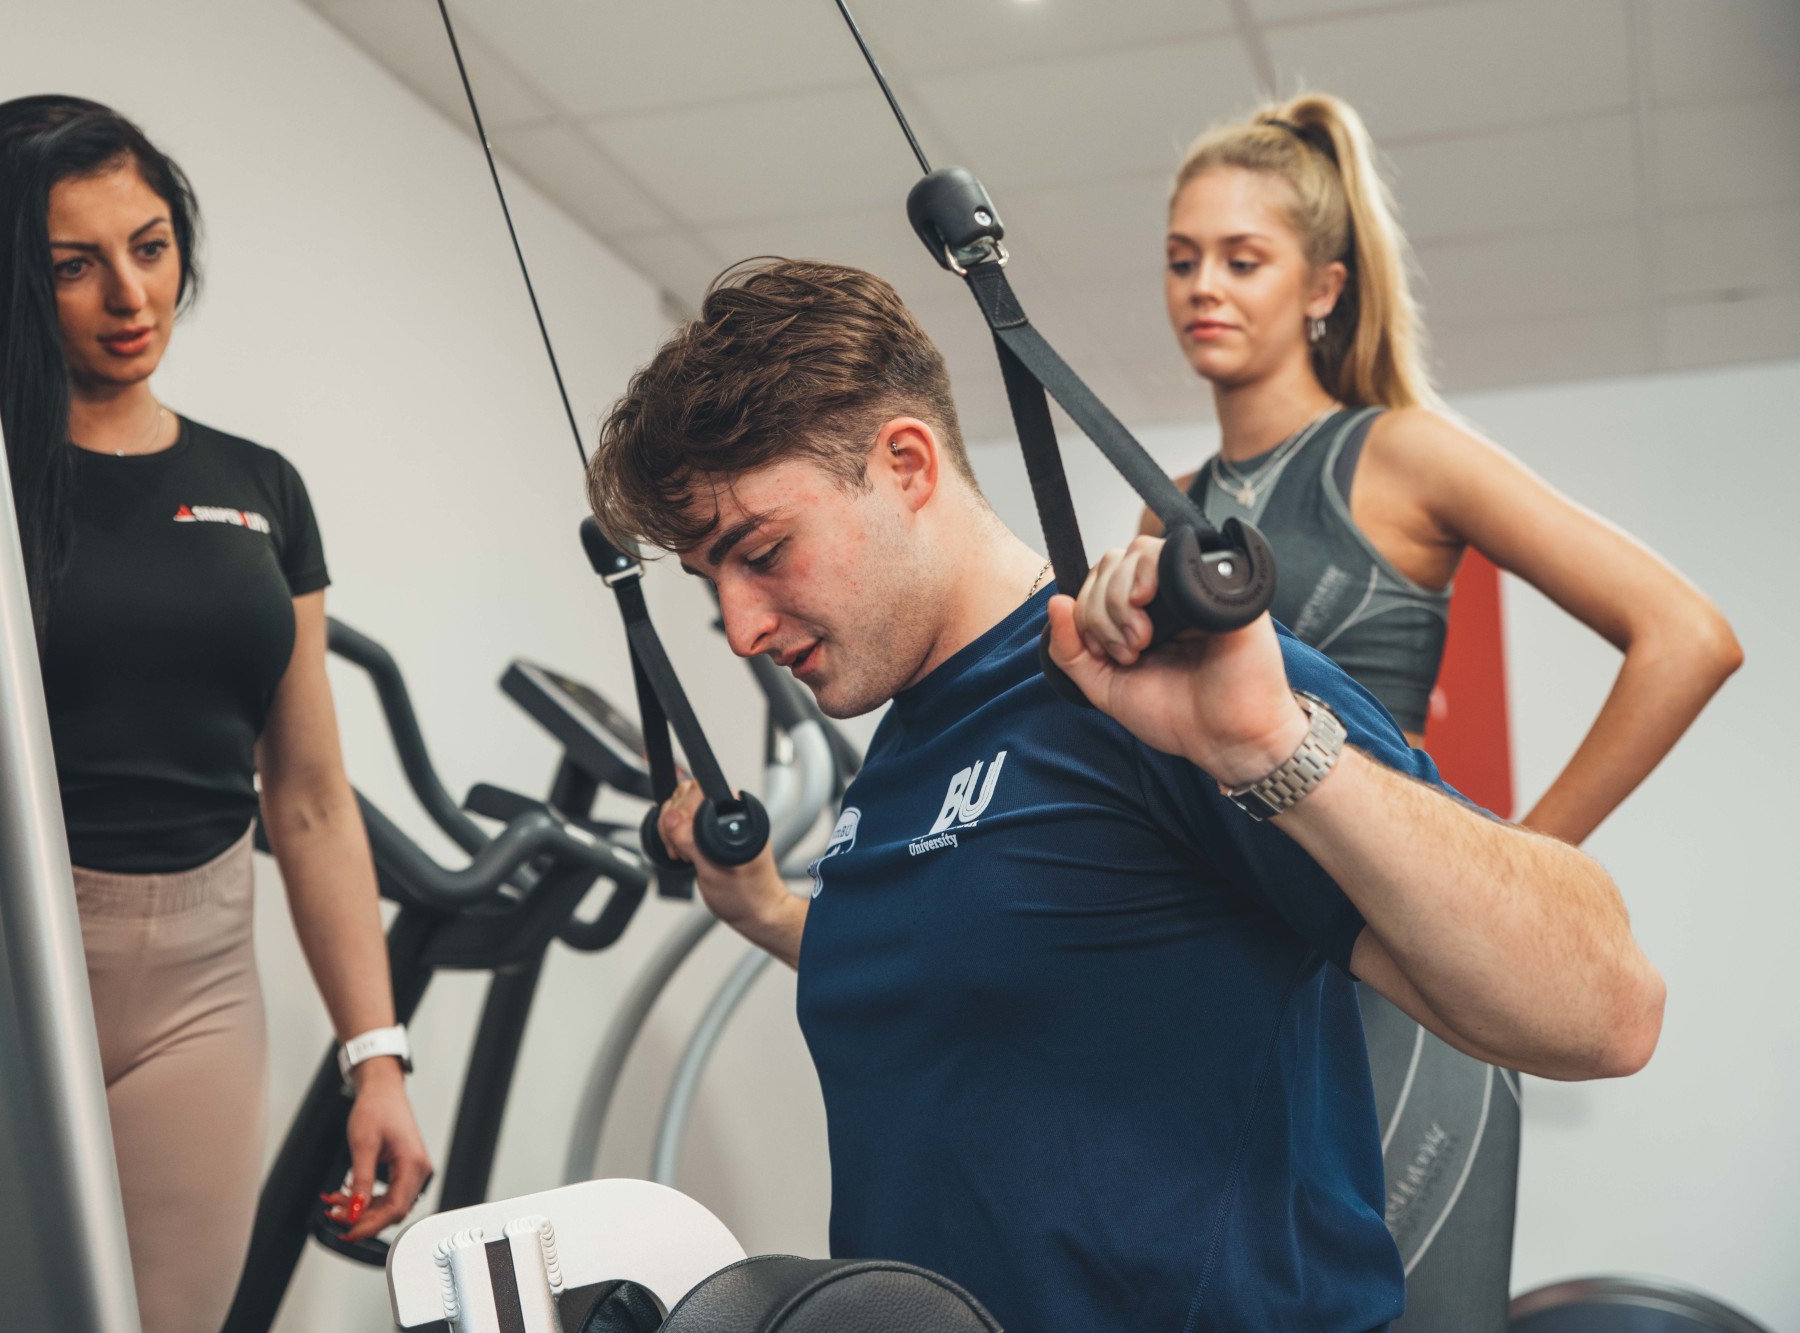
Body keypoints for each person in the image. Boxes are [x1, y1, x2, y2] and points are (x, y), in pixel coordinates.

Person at [584, 258, 1665, 1331]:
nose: (738, 628)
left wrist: (1266, 745)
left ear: (905, 464)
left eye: (761, 552)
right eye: (707, 584)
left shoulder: (1165, 681)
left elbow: (1607, 1012)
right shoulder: (902, 748)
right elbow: (992, 998)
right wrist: (771, 912)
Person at [1152, 93, 1742, 1325]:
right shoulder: (1164, 511)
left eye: (1240, 259)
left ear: (1320, 287)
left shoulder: (1402, 456)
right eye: (1181, 258)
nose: (1203, 285)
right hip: (1239, 993)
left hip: (1404, 987)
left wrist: (1514, 867)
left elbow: (1685, 638)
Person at [0, 96, 430, 1331]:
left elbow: (313, 799)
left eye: (151, 244)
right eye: (75, 265)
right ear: (8, 274)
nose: (131, 295)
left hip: (201, 983)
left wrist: (375, 1057)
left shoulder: (258, 487)